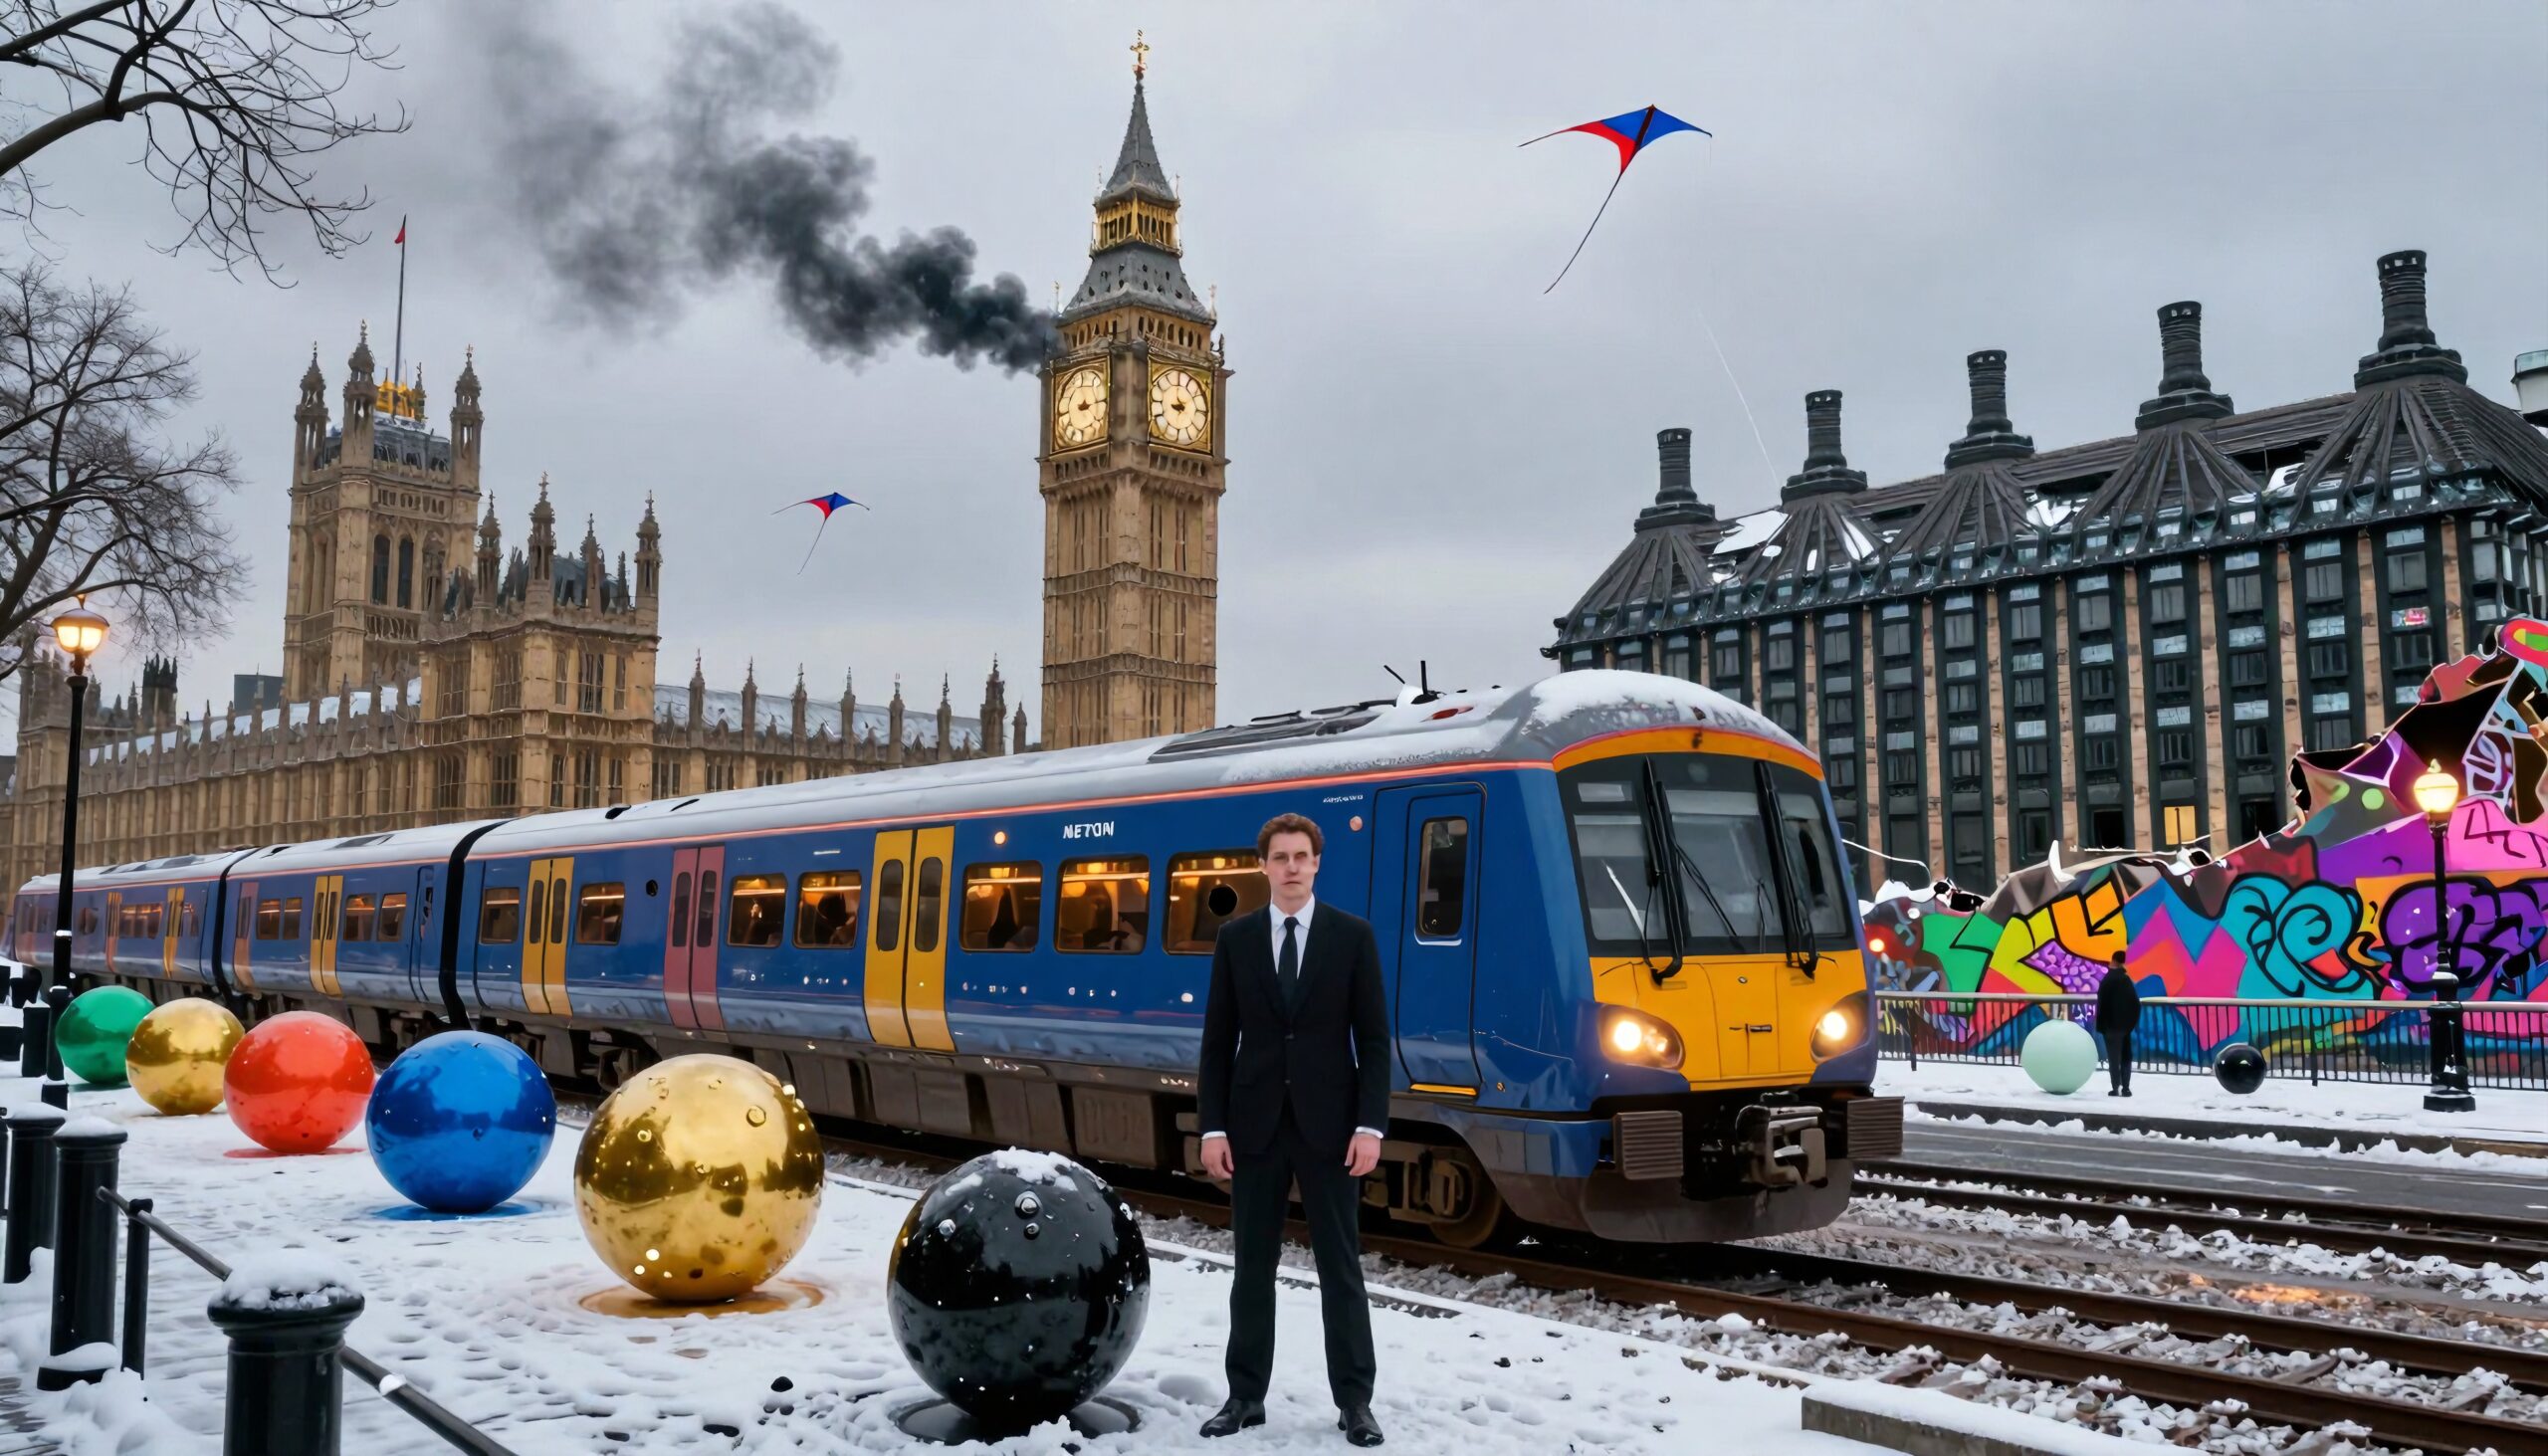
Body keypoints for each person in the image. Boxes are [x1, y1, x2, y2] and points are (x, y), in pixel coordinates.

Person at [1195, 812, 1389, 1447]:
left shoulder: (1352, 936)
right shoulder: (1237, 938)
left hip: (1331, 1129)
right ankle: (1245, 1396)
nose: (1291, 867)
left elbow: (1374, 1041)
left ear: (1317, 864)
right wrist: (1213, 1128)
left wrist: (1370, 1125)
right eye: (1280, 858)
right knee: (1252, 1268)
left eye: (1301, 856)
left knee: (1341, 1268)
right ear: (1263, 866)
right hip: (1253, 1129)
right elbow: (1218, 1041)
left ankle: (1355, 1402)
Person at [2095, 954, 2141, 1097]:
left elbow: (2102, 1004)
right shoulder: (2126, 980)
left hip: (2110, 1027)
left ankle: (2115, 1087)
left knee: (2114, 1058)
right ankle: (2126, 1087)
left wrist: (2101, 1025)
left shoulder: (2107, 980)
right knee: (2126, 1056)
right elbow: (2135, 1004)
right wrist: (2130, 1023)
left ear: (2113, 961)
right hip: (2125, 1027)